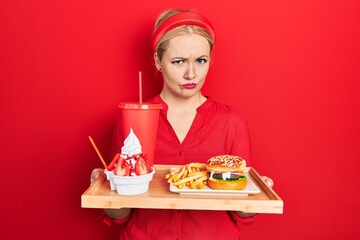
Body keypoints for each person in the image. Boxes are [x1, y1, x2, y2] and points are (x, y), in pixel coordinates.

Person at [92, 9, 273, 240]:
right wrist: (106, 188)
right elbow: (120, 214)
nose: (191, 74)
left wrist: (257, 191)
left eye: (201, 60)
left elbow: (243, 214)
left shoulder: (232, 122)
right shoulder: (133, 120)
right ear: (158, 60)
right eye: (179, 62)